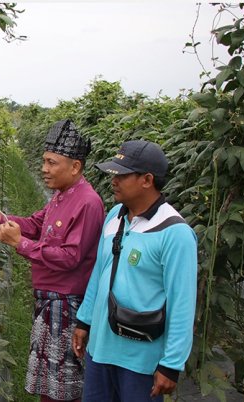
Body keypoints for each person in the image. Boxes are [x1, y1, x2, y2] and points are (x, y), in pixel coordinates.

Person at [0, 120, 104, 402]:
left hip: (66, 305)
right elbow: (35, 223)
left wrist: (20, 244)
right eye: (44, 161)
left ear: (75, 166)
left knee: (63, 386)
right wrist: (0, 217)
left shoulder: (87, 202)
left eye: (51, 162)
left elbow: (70, 257)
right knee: (50, 384)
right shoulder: (61, 195)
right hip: (49, 301)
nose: (43, 169)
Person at [72, 140, 197, 401]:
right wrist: (85, 321)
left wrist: (171, 365)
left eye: (122, 175)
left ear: (147, 180)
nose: (113, 181)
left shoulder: (174, 233)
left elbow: (182, 302)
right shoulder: (116, 215)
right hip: (101, 350)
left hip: (141, 361)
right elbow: (100, 270)